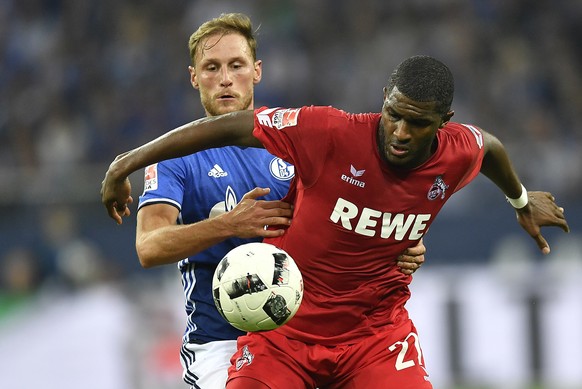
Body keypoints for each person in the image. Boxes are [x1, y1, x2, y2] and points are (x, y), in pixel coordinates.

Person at [102, 54, 570, 388]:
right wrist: (125, 163)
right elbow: (231, 127)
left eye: (418, 123)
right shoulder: (329, 132)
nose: (401, 132)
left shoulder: (456, 151)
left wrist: (520, 199)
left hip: (375, 336)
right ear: (384, 100)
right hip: (284, 330)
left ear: (442, 122)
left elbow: (489, 147)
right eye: (394, 115)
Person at [112, 13, 426, 389]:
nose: (225, 79)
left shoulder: (298, 143)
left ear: (257, 71)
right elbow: (148, 246)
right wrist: (230, 223)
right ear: (194, 77)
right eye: (212, 68)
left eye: (236, 65)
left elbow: (360, 209)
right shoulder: (176, 159)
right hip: (221, 342)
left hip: (304, 338)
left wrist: (404, 242)